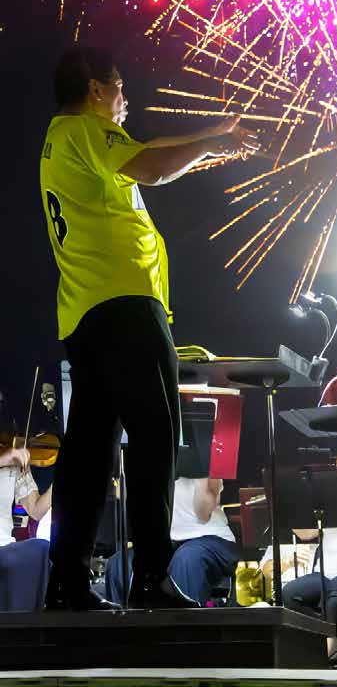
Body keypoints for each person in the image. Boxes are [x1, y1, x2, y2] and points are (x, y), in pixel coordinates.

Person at [40, 46, 259, 610]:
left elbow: (151, 150)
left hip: (84, 312)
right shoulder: (84, 131)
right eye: (118, 89)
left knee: (90, 448)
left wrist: (212, 134)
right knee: (158, 433)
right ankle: (152, 577)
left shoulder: (65, 140)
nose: (124, 101)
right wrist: (213, 143)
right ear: (94, 90)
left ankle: (66, 582)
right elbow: (157, 167)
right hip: (126, 305)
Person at [104, 477, 241, 606]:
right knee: (118, 564)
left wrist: (200, 471)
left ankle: (187, 627)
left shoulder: (205, 453)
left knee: (187, 557)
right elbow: (123, 494)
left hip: (210, 538)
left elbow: (203, 512)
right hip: (165, 543)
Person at [0, 442, 52, 612]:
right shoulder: (9, 455)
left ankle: (26, 632)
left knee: (41, 549)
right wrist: (4, 458)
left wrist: (62, 478)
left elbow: (35, 510)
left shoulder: (13, 453)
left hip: (5, 546)